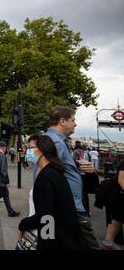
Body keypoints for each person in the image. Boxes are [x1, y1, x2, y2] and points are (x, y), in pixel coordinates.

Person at [18, 134, 86, 250]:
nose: (27, 151)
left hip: (45, 236)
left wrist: (23, 225)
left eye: (30, 148)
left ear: (42, 150)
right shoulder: (53, 172)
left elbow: (46, 216)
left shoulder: (47, 177)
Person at [46, 105, 100, 249]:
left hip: (67, 205)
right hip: (69, 206)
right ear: (62, 121)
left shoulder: (56, 141)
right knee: (91, 245)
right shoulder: (56, 143)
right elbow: (45, 177)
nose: (75, 123)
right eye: (73, 120)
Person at [101, 159, 124, 250]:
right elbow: (121, 179)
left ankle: (107, 243)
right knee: (116, 220)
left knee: (117, 220)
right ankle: (107, 244)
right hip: (120, 196)